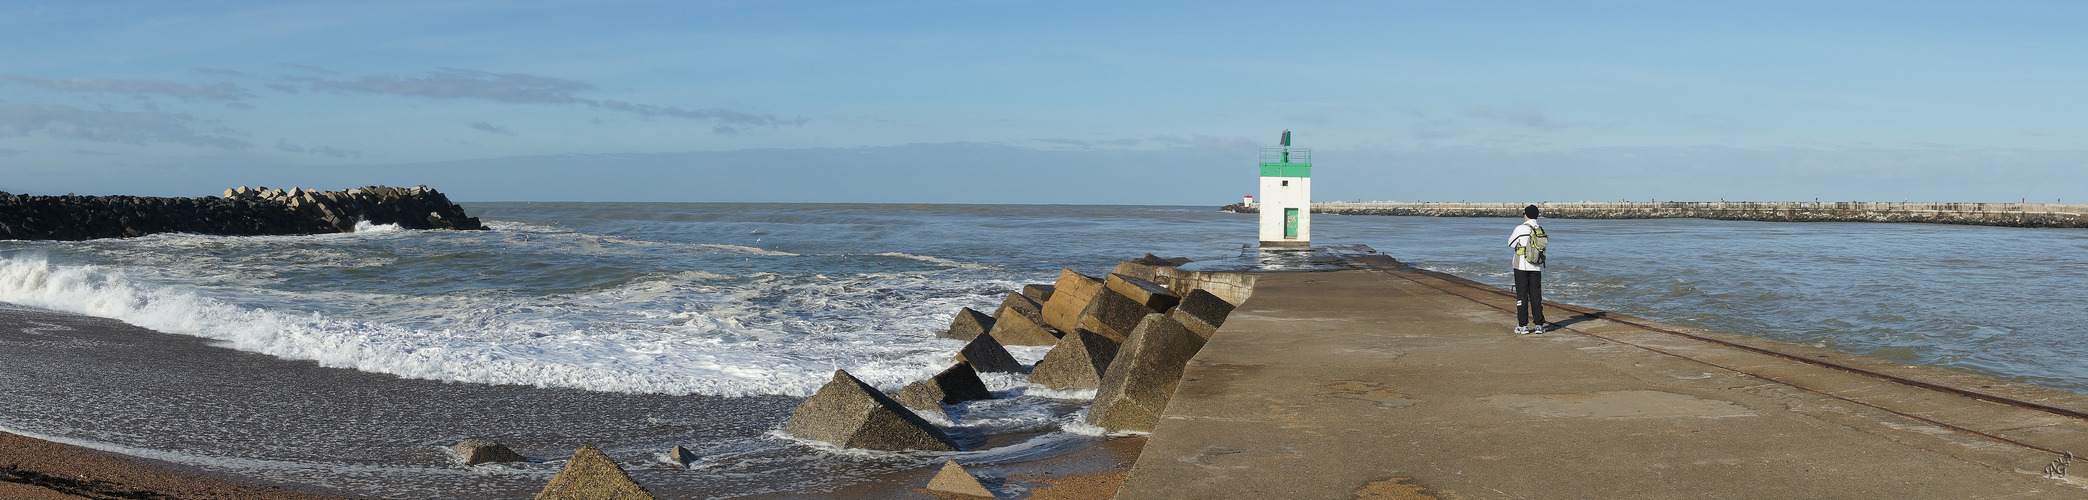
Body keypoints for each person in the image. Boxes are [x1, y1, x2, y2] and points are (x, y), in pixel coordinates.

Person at [1509, 205, 1547, 334]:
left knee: (1522, 295)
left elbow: (1510, 243)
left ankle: (1523, 325)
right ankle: (1539, 325)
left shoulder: (1520, 228)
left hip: (1521, 266)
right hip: (1536, 266)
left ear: (1526, 215)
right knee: (1536, 296)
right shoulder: (1539, 229)